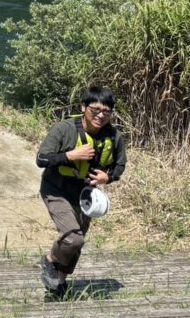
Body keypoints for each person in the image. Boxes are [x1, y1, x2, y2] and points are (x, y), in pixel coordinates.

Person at [36, 87, 127, 297]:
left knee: (76, 246)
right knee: (73, 238)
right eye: (95, 110)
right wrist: (70, 155)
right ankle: (49, 259)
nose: (101, 115)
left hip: (86, 194)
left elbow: (120, 165)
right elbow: (41, 159)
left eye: (106, 111)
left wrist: (109, 177)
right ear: (83, 108)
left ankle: (58, 285)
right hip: (56, 188)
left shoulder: (114, 136)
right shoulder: (64, 129)